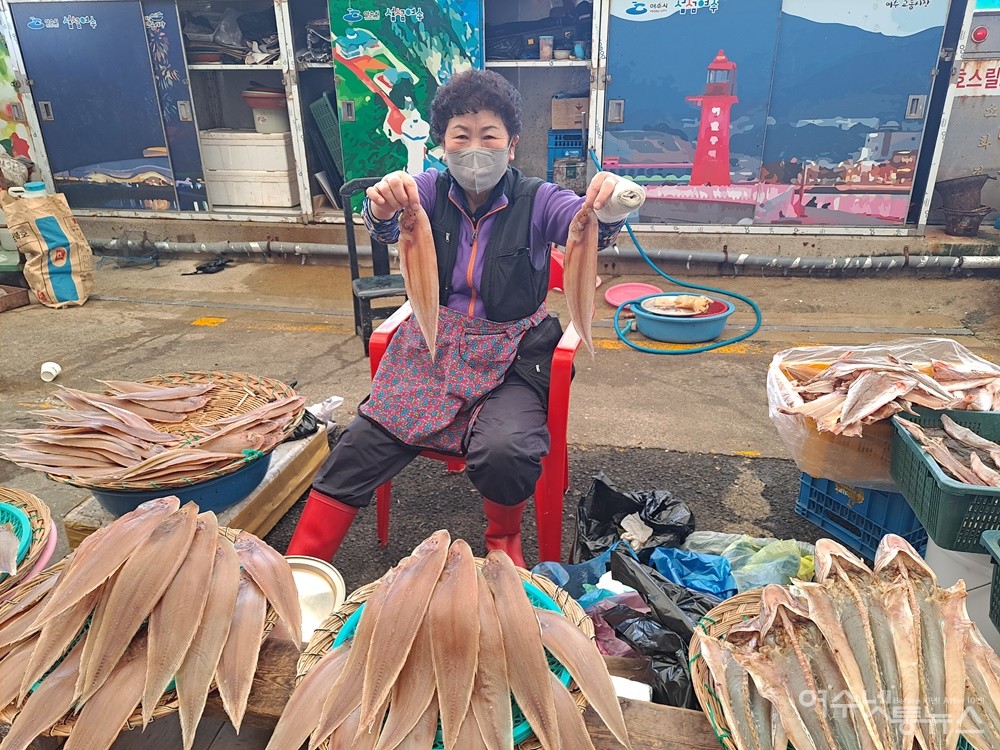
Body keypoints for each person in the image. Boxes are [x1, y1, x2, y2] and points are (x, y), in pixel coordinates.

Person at [287, 68, 644, 567]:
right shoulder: (427, 193)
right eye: (461, 135)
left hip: (515, 352)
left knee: (506, 449)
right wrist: (382, 204)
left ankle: (503, 539)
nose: (475, 147)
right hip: (435, 348)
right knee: (360, 442)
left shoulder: (538, 199)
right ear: (442, 144)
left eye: (489, 135)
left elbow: (579, 223)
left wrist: (607, 208)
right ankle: (297, 569)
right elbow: (387, 223)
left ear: (512, 144)